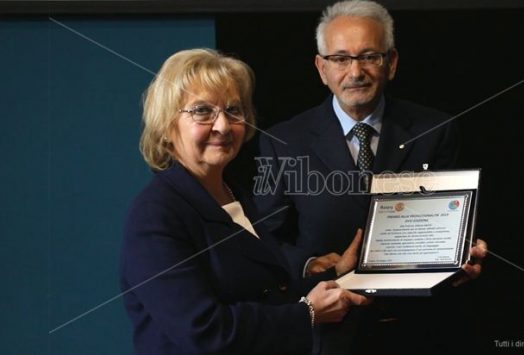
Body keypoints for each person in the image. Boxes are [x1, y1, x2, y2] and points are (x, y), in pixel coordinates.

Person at [253, 1, 487, 354]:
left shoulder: (436, 131)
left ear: (390, 63)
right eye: (341, 59)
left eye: (369, 56)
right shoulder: (281, 142)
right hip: (327, 335)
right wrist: (309, 264)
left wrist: (460, 257)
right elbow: (265, 240)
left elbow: (451, 220)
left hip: (421, 331)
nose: (355, 71)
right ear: (322, 68)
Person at [119, 48, 369, 355]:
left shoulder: (235, 194)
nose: (223, 126)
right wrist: (308, 314)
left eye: (233, 111)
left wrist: (335, 276)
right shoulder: (156, 215)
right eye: (202, 111)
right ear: (167, 124)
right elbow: (205, 331)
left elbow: (267, 293)